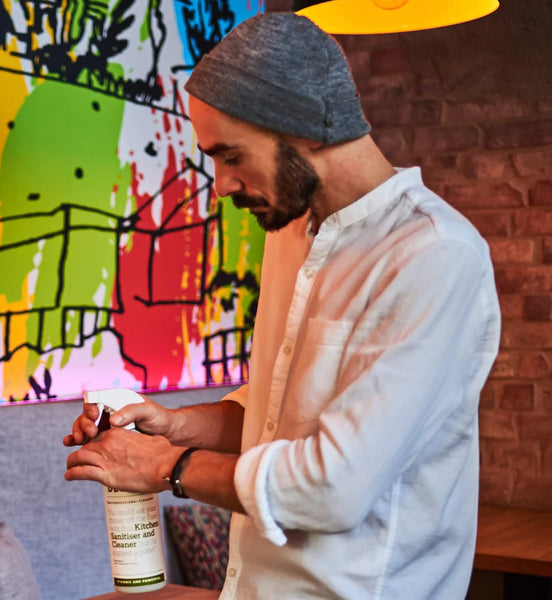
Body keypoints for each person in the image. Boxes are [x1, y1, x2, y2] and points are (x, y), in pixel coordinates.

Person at [64, 12, 501, 600]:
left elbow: (333, 486)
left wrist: (167, 467)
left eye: (231, 156)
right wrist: (171, 426)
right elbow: (278, 417)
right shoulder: (290, 231)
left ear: (309, 126)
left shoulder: (434, 255)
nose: (220, 184)